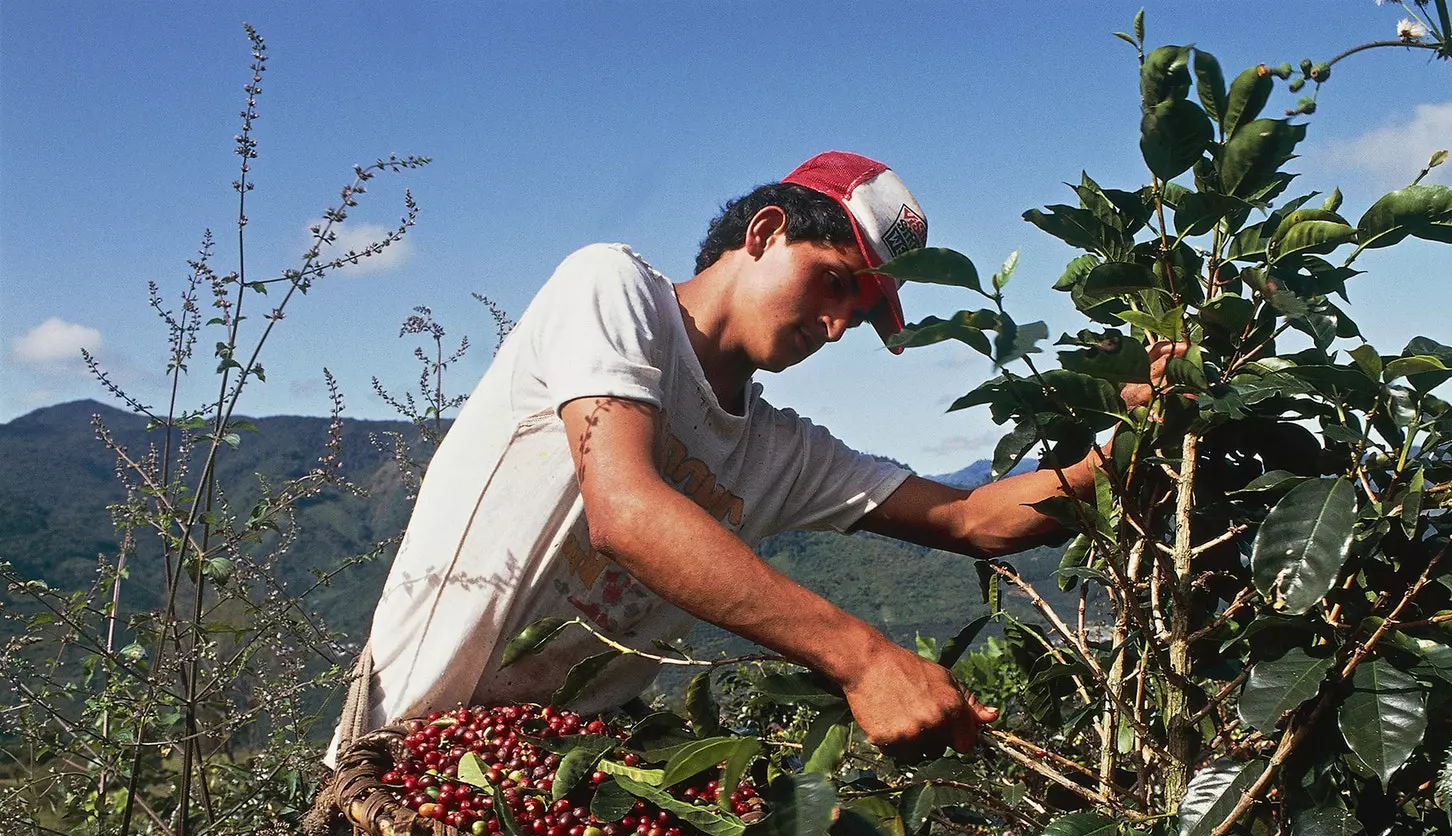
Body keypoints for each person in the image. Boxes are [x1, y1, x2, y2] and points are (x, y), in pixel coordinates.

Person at [327, 150, 1128, 767]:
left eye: (861, 308)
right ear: (765, 231)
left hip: (539, 794)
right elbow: (626, 511)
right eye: (835, 283)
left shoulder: (774, 450)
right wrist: (866, 659)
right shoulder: (612, 291)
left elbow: (973, 517)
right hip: (399, 750)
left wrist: (1127, 448)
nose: (839, 324)